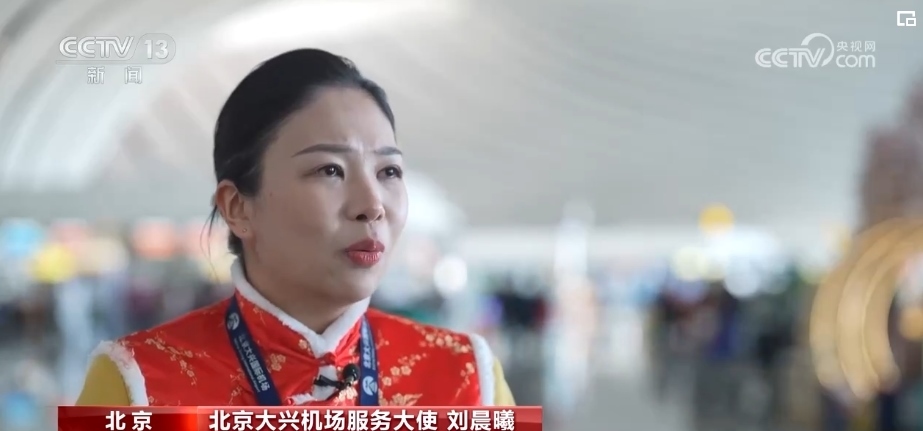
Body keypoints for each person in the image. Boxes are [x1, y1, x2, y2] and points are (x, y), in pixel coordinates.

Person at [74, 49, 515, 407]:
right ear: (238, 208)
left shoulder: (468, 379)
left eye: (389, 172)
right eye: (330, 170)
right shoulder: (136, 385)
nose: (372, 206)